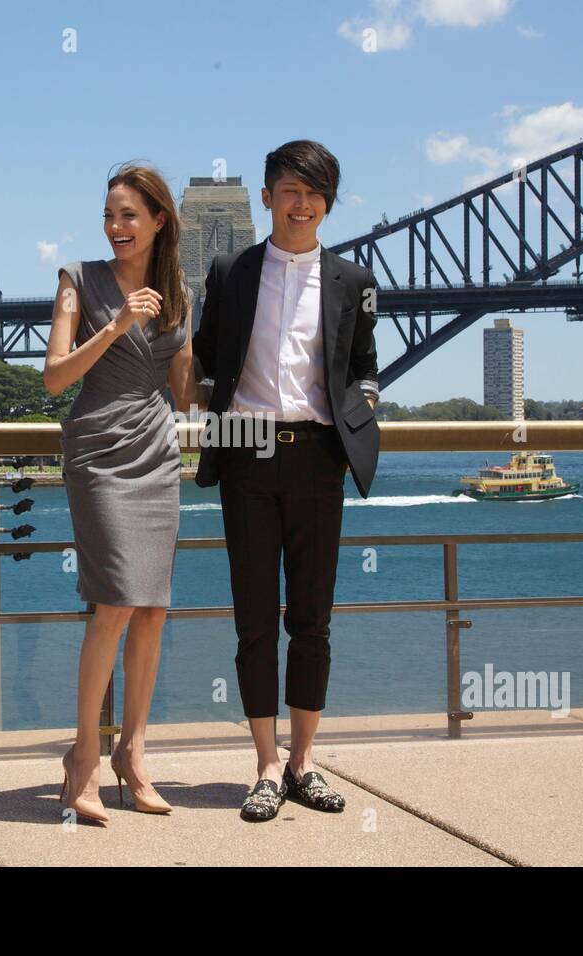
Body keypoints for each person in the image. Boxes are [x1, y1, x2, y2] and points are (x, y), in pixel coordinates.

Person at [192, 140, 381, 822]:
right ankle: (266, 767)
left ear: (328, 202)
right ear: (267, 197)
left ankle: (304, 762)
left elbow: (364, 363)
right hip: (245, 453)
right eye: (290, 190)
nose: (302, 204)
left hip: (318, 455)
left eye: (316, 192)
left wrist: (365, 401)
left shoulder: (355, 280)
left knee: (313, 619)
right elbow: (209, 358)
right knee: (252, 620)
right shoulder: (231, 271)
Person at [43, 163, 203, 825]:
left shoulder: (181, 296)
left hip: (155, 450)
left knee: (153, 609)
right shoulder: (77, 281)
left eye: (129, 215)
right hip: (99, 451)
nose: (115, 228)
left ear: (160, 220)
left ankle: (133, 754)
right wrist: (113, 327)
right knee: (113, 603)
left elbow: (188, 393)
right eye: (110, 215)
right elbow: (54, 379)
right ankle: (82, 757)